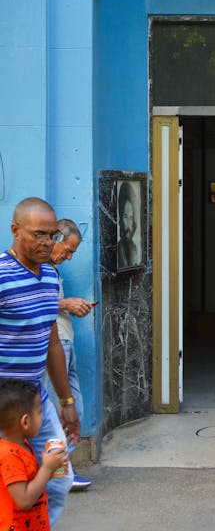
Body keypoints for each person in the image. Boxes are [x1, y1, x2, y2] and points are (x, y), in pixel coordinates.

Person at [0, 197, 80, 527]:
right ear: (15, 230)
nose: (48, 243)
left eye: (52, 235)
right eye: (39, 235)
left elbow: (51, 344)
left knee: (58, 477)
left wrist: (66, 401)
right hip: (4, 404)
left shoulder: (49, 276)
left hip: (38, 403)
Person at [42, 218, 93, 491]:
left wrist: (70, 306)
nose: (69, 257)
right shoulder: (34, 267)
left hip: (64, 344)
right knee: (59, 410)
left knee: (75, 410)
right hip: (55, 347)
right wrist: (66, 303)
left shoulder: (51, 270)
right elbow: (29, 302)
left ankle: (61, 470)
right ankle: (57, 473)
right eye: (68, 250)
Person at [0, 379, 68, 530]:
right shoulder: (8, 456)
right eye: (39, 412)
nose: (42, 418)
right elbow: (24, 500)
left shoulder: (23, 446)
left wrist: (51, 469)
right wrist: (46, 470)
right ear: (25, 421)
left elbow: (31, 483)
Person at [117, 181, 140, 269]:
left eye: (131, 218)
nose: (128, 224)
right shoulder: (118, 250)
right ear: (120, 218)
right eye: (125, 216)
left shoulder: (135, 250)